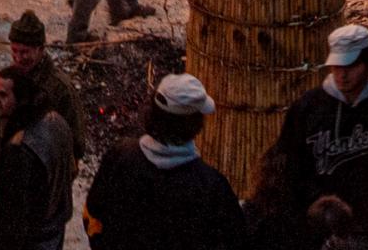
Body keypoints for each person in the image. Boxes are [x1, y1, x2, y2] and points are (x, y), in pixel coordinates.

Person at [256, 24, 368, 248]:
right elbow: (289, 168)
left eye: (351, 66)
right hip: (324, 226)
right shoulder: (307, 109)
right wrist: (315, 200)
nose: (342, 74)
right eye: (336, 66)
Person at [82, 73, 246, 250]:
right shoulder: (211, 187)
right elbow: (234, 240)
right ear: (195, 125)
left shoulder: (119, 157)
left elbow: (92, 218)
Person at [0, 62, 76, 250]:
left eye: (3, 95)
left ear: (20, 98)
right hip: (53, 232)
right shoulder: (57, 120)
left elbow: (11, 219)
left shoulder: (20, 148)